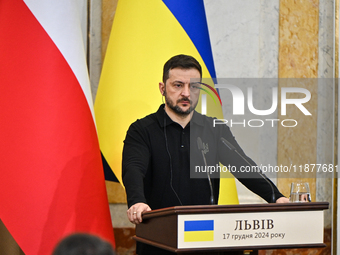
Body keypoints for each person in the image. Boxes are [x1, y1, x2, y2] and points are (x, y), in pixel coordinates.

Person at [122, 54, 289, 254]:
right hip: (158, 238)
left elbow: (243, 165)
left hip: (205, 237)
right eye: (178, 85)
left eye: (193, 87)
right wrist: (137, 201)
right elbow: (133, 167)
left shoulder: (214, 129)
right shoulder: (142, 130)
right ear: (162, 88)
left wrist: (276, 197)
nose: (186, 93)